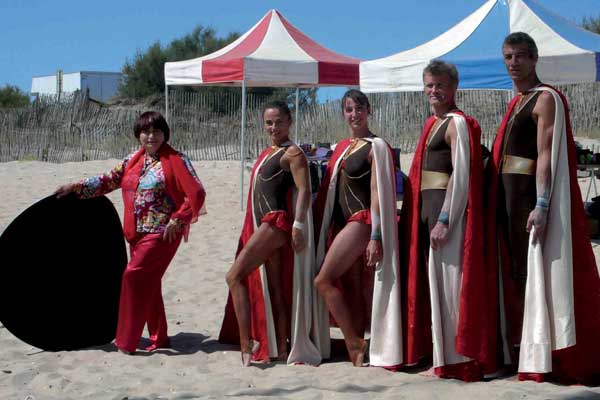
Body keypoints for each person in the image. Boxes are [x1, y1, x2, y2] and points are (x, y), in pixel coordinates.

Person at [485, 32, 600, 384]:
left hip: (526, 201)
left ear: (535, 59)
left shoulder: (544, 98)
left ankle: (547, 354)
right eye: (508, 56)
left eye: (521, 55)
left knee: (535, 277)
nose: (514, 62)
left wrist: (543, 203)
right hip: (506, 199)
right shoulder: (516, 101)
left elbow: (546, 153)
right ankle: (526, 348)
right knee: (518, 276)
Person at [55, 111, 206, 354]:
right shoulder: (132, 160)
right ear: (138, 135)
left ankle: (126, 341)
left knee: (133, 276)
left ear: (164, 133)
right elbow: (107, 181)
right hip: (135, 233)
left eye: (157, 131)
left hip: (162, 232)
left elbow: (196, 193)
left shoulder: (178, 159)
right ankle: (159, 337)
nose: (151, 136)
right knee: (149, 283)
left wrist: (178, 219)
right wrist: (75, 187)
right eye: (146, 131)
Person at [401, 60, 492, 381]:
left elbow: (461, 174)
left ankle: (459, 359)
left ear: (453, 87)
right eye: (429, 85)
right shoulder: (433, 123)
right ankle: (442, 356)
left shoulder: (456, 124)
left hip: (447, 218)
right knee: (436, 287)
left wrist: (445, 219)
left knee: (453, 288)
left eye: (440, 85)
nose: (434, 91)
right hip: (428, 215)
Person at [219, 101, 324, 367]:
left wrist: (299, 225)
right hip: (264, 225)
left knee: (234, 276)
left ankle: (246, 345)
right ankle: (278, 346)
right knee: (276, 288)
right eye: (269, 122)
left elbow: (304, 190)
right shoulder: (269, 151)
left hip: (275, 224)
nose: (273, 127)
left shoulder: (292, 153)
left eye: (278, 121)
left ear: (289, 122)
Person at [313, 89, 402, 368]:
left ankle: (354, 341)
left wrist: (376, 234)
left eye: (359, 108)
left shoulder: (375, 146)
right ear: (343, 113)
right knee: (353, 288)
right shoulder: (342, 148)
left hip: (362, 222)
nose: (354, 114)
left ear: (368, 110)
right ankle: (360, 342)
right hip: (344, 223)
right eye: (349, 109)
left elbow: (378, 191)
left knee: (322, 280)